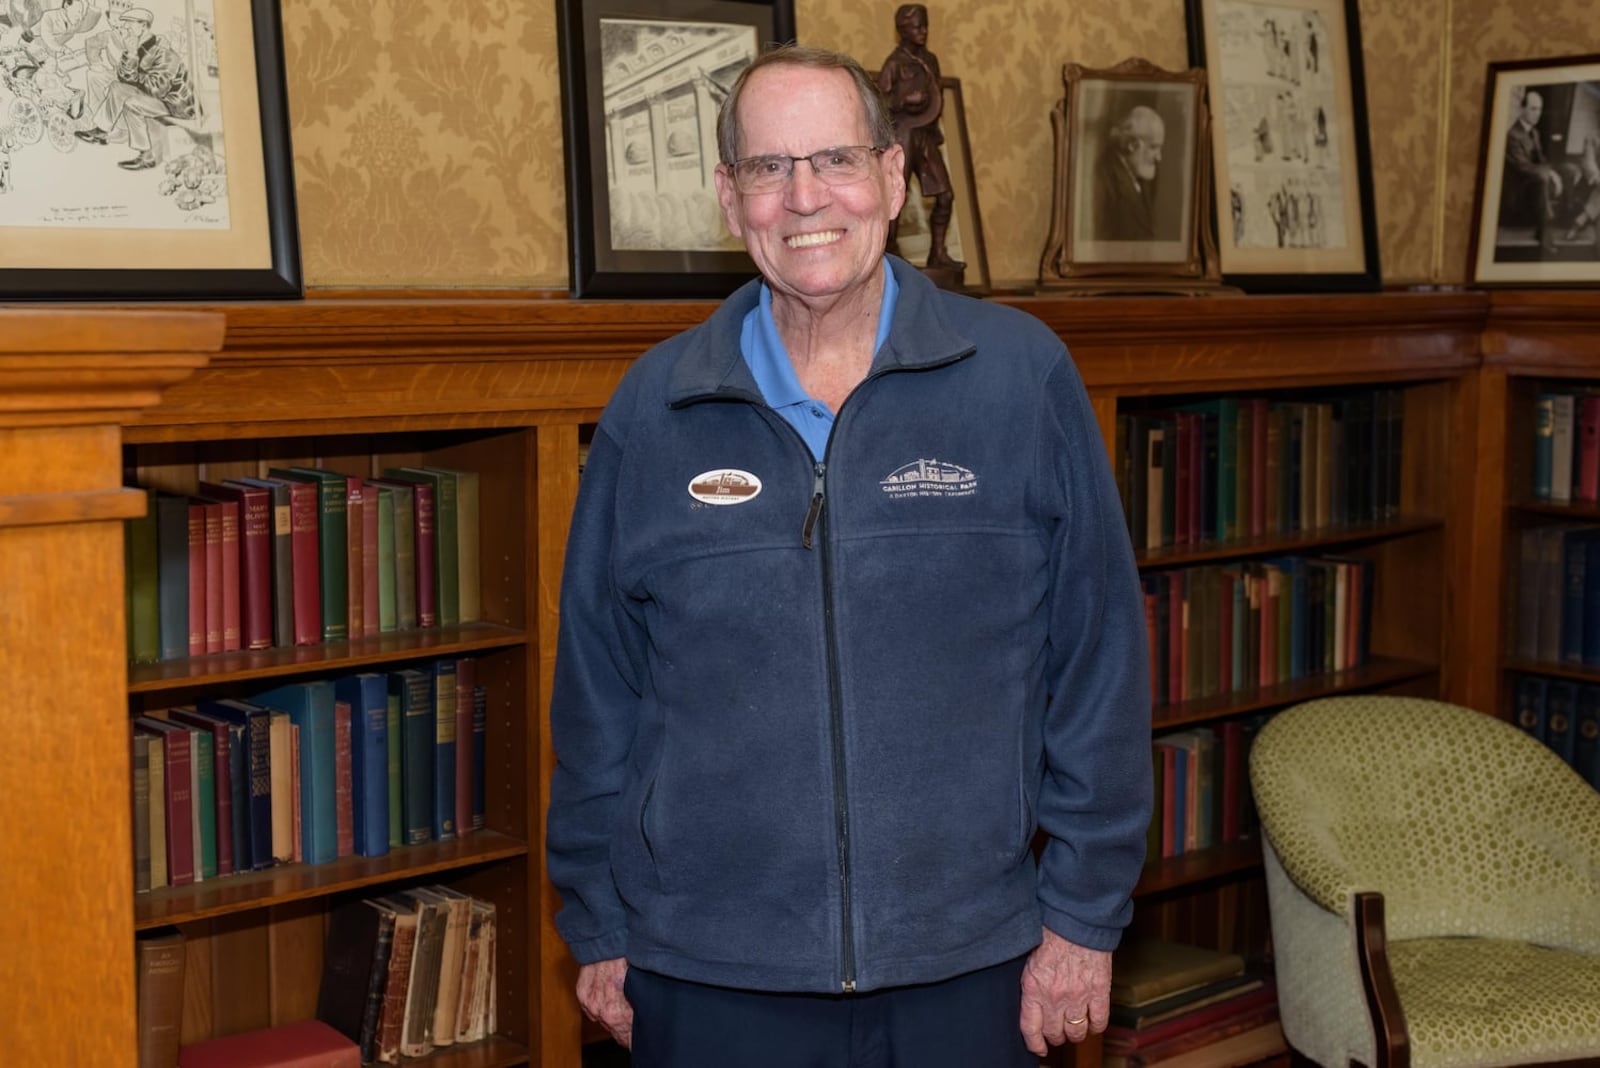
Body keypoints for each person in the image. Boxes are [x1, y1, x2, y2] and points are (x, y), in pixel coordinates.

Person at [545, 42, 1152, 1068]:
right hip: (709, 976)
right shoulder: (653, 409)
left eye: (832, 159)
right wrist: (600, 927)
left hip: (969, 967)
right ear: (730, 201)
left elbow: (1097, 667)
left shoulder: (1018, 379)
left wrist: (1083, 920)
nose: (803, 197)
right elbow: (598, 695)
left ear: (891, 177)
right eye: (769, 169)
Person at [876, 3, 963, 271]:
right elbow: (880, 104)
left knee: (945, 195)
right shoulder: (894, 64)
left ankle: (938, 253)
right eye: (917, 27)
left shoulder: (930, 60)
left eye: (925, 26)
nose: (923, 32)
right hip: (902, 136)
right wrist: (904, 99)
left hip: (925, 135)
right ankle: (889, 255)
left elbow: (936, 96)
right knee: (894, 199)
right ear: (903, 30)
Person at [72, 6, 194, 171]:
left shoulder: (164, 52)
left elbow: (156, 89)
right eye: (125, 24)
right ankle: (101, 131)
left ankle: (147, 156)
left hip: (174, 105)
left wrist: (134, 65)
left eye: (129, 24)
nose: (125, 28)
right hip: (157, 98)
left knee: (131, 103)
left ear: (143, 26)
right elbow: (124, 79)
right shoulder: (136, 48)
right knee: (116, 87)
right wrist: (131, 54)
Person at [1502, 89, 1562, 251]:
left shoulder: (1534, 133)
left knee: (1568, 171)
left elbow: (1541, 160)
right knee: (1542, 178)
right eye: (1533, 109)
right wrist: (1548, 173)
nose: (1538, 113)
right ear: (1522, 109)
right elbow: (1522, 167)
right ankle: (1544, 232)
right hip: (1518, 191)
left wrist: (1553, 172)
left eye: (1540, 109)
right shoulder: (1513, 135)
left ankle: (1565, 222)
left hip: (1532, 184)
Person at [1094, 104, 1164, 241]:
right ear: (1132, 145)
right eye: (1154, 147)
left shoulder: (1142, 178)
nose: (1159, 157)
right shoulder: (1103, 180)